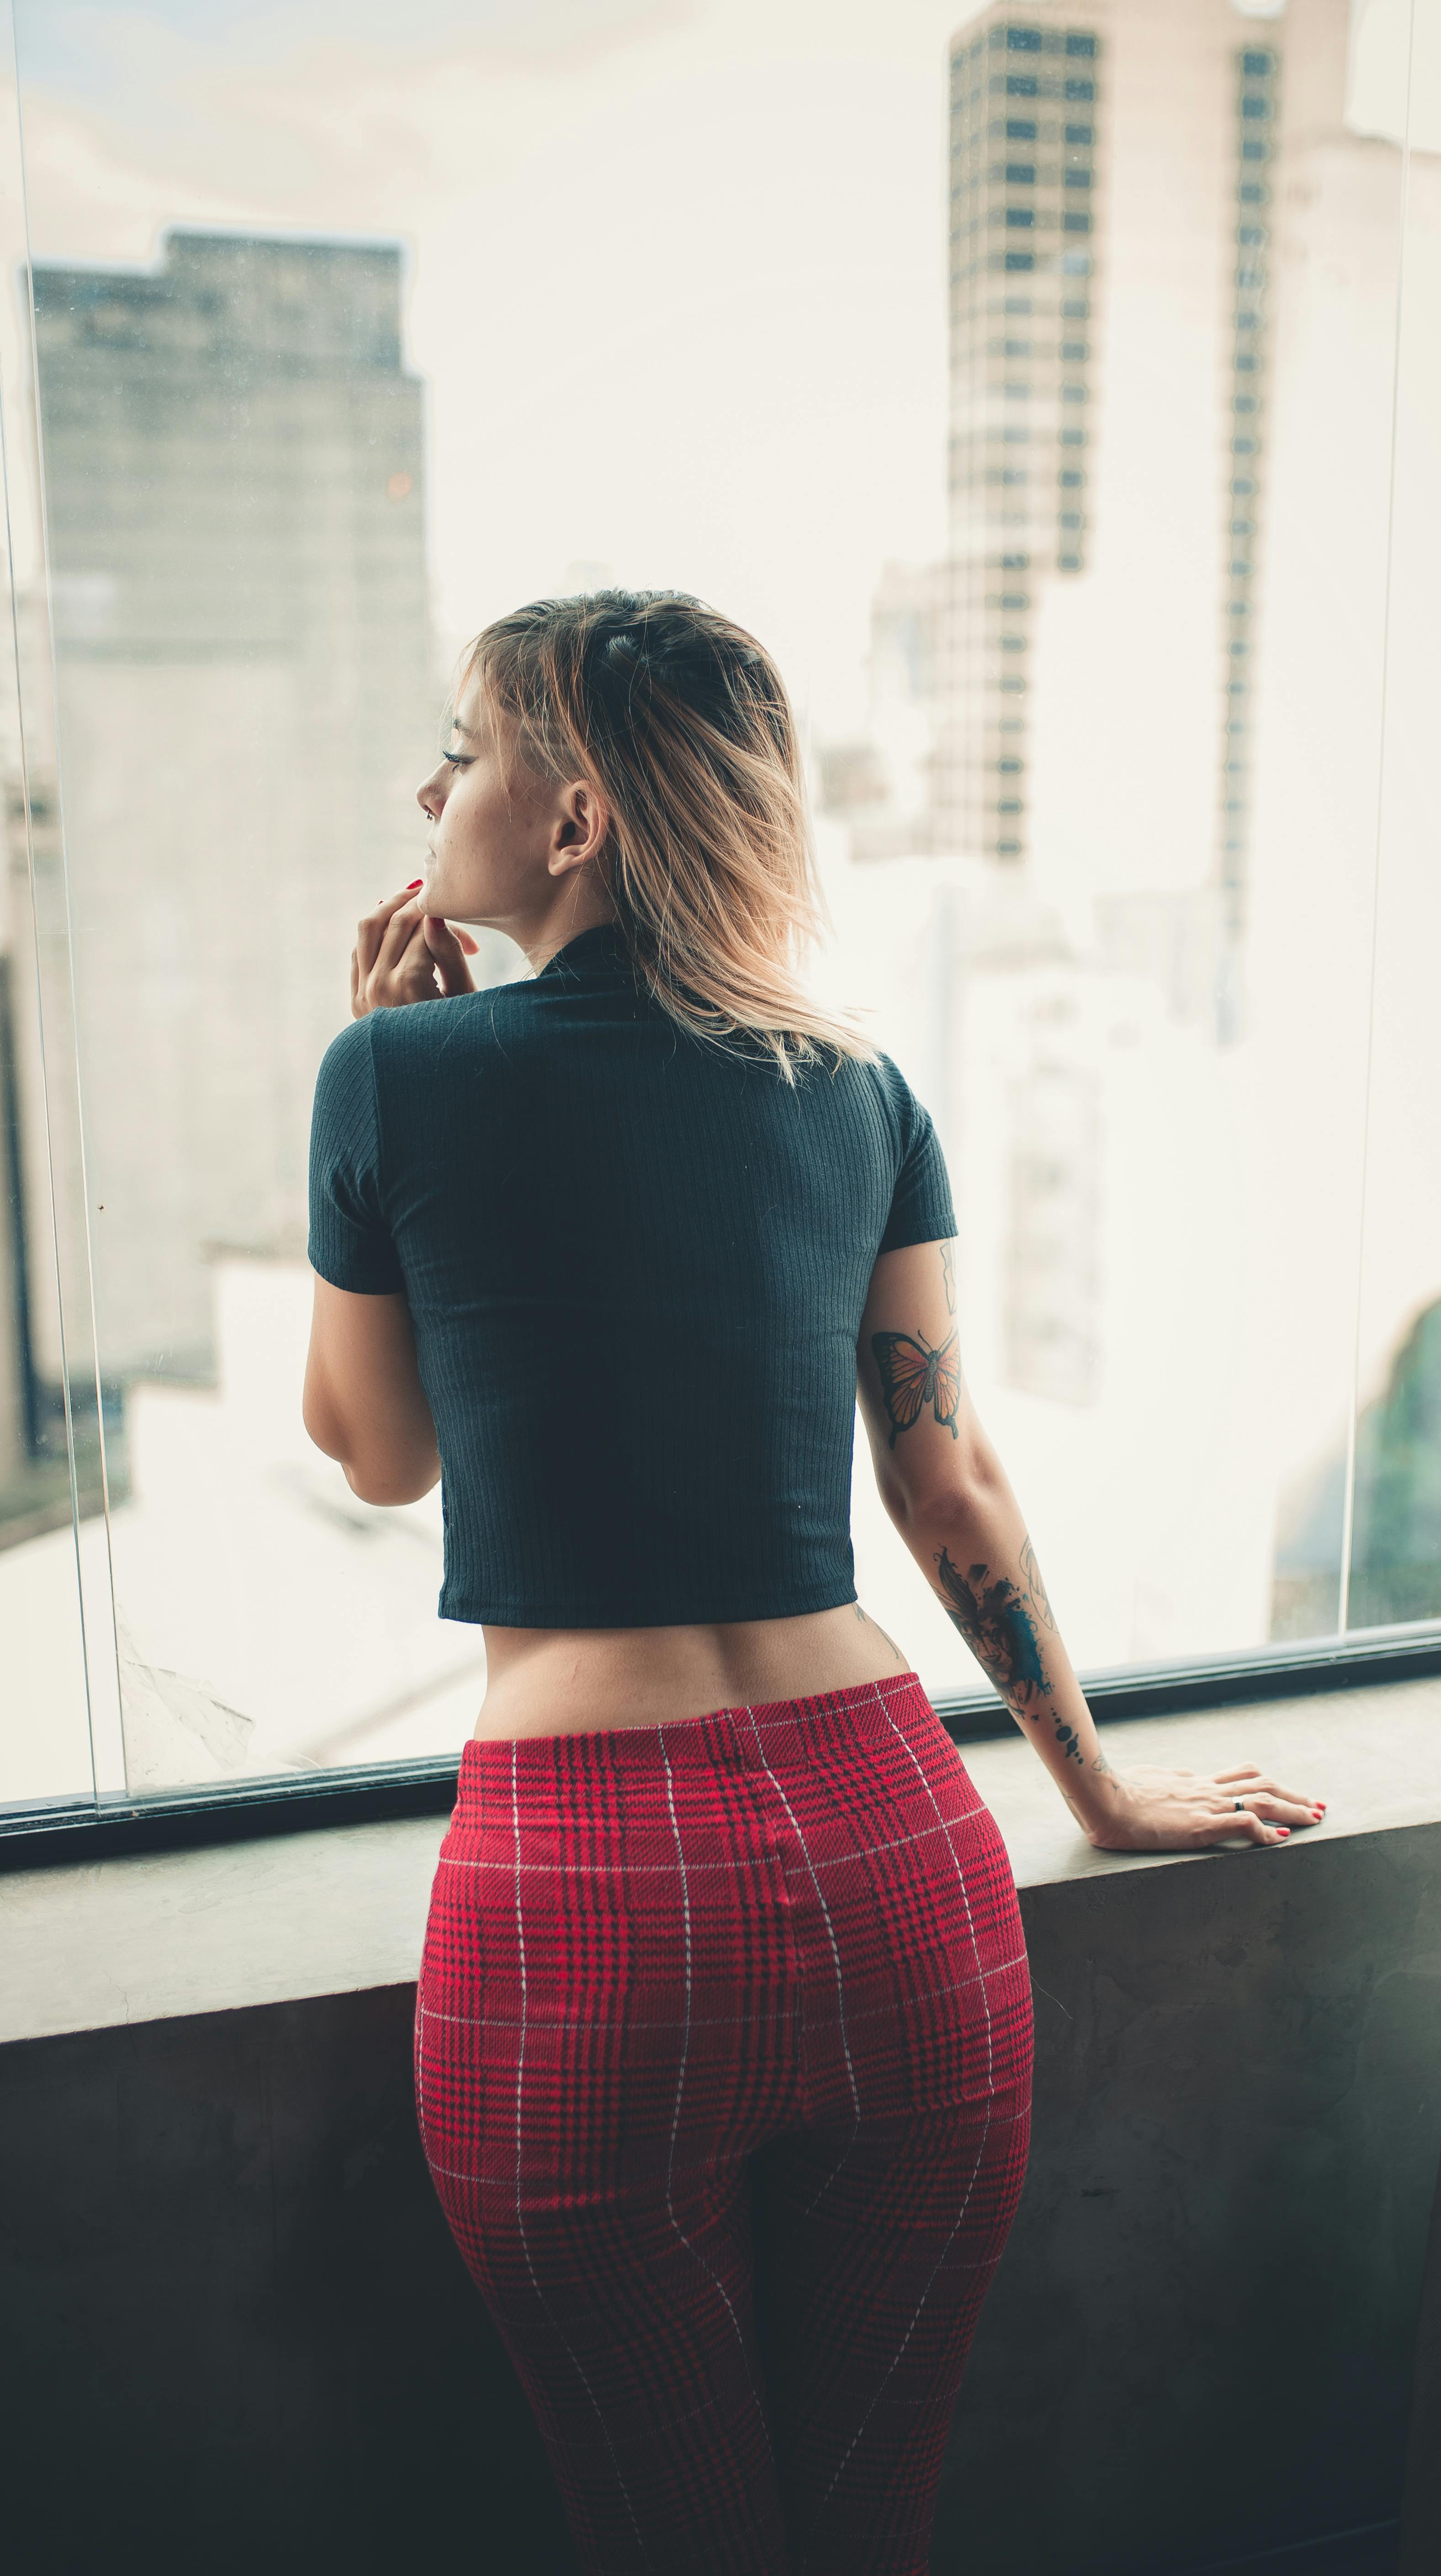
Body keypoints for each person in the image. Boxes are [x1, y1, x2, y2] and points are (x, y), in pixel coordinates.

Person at [302, 590, 1324, 2575]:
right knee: (874, 2532)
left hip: (587, 1909)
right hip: (900, 1865)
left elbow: (379, 1456)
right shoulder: (854, 1093)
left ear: (576, 816)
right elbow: (947, 1486)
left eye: (467, 750)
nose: (430, 789)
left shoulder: (395, 1079)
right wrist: (1096, 1796)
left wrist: (378, 1063)